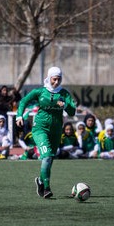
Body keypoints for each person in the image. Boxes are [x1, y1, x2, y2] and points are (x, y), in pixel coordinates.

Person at [16, 66, 76, 199]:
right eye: (54, 79)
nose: (56, 82)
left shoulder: (64, 93)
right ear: (49, 78)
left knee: (50, 158)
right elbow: (24, 101)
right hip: (40, 129)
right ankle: (47, 188)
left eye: (59, 79)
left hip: (56, 130)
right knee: (47, 156)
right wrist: (19, 116)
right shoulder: (40, 91)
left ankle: (41, 182)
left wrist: (65, 106)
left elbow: (72, 112)